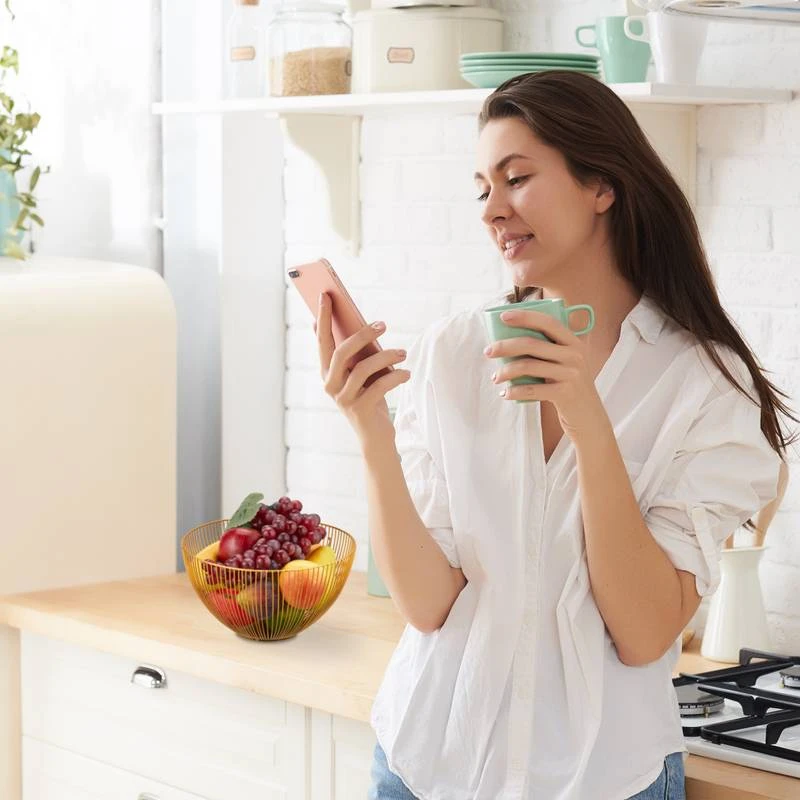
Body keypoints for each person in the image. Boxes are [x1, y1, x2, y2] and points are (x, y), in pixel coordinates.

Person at [314, 71, 795, 800]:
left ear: (601, 185)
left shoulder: (699, 383)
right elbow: (429, 606)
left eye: (517, 178)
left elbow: (642, 633)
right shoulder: (454, 352)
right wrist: (372, 431)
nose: (492, 209)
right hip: (427, 766)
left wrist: (586, 417)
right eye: (482, 188)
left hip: (604, 779)